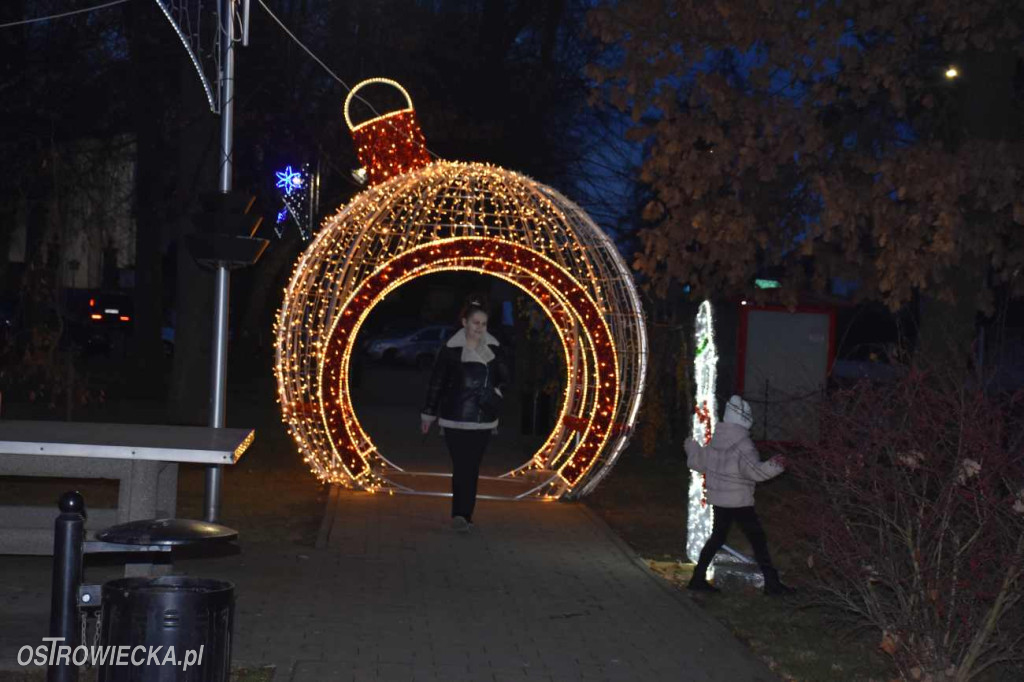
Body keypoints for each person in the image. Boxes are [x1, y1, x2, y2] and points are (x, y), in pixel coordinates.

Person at [684, 395, 795, 595]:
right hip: (739, 502)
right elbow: (756, 472)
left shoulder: (716, 440)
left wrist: (691, 447)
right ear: (745, 418)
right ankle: (772, 584)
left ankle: (697, 578)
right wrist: (776, 465)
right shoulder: (743, 444)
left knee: (717, 538)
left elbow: (698, 463)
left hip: (719, 501)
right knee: (758, 540)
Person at [420, 297, 509, 532]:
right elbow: (437, 383)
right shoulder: (451, 349)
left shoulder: (494, 348)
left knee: (471, 467)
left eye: (483, 323)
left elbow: (506, 377)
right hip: (455, 416)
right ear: (464, 322)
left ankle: (464, 514)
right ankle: (460, 514)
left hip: (482, 418)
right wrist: (428, 413)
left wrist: (496, 393)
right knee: (462, 466)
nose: (479, 328)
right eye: (475, 322)